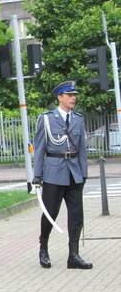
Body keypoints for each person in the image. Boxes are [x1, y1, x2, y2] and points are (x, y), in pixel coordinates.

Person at [32, 81, 91, 270]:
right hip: (53, 172)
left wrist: (83, 173)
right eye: (69, 95)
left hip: (74, 173)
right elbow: (40, 148)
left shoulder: (78, 119)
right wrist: (37, 176)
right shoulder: (47, 119)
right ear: (60, 97)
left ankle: (73, 255)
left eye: (74, 95)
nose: (73, 98)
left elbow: (82, 148)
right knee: (50, 213)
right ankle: (43, 248)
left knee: (76, 214)